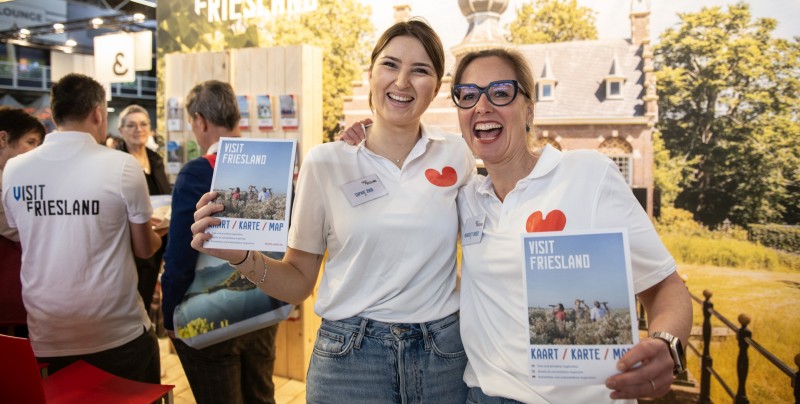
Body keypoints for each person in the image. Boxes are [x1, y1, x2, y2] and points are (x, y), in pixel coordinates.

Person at [189, 19, 475, 403]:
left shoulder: (455, 154)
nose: (402, 82)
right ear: (370, 73)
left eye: (420, 70)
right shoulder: (325, 163)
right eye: (390, 65)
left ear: (436, 87)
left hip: (442, 356)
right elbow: (298, 282)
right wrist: (239, 255)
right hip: (350, 360)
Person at [452, 48, 692, 403]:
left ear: (529, 109)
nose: (482, 106)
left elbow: (665, 286)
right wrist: (364, 141)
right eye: (468, 95)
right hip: (486, 395)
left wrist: (667, 344)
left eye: (501, 92)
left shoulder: (586, 174)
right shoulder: (465, 195)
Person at [1, 73, 163, 382]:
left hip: (47, 333)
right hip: (117, 331)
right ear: (98, 113)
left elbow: (23, 231)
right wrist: (157, 234)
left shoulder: (14, 169)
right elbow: (144, 249)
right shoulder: (122, 165)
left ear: (55, 113)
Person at [160, 80, 280, 404]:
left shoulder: (196, 173)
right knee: (261, 395)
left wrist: (169, 314)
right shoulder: (272, 164)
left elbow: (181, 254)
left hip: (211, 312)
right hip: (262, 306)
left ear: (200, 121)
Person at [117, 104, 171, 313]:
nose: (137, 129)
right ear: (121, 130)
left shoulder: (155, 159)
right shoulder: (117, 161)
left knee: (148, 297)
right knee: (133, 300)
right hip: (130, 242)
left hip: (159, 237)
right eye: (131, 125)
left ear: (149, 128)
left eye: (142, 124)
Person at [0, 107, 46, 335]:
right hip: (9, 302)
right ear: (3, 139)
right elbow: (21, 231)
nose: (35, 151)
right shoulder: (7, 183)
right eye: (31, 142)